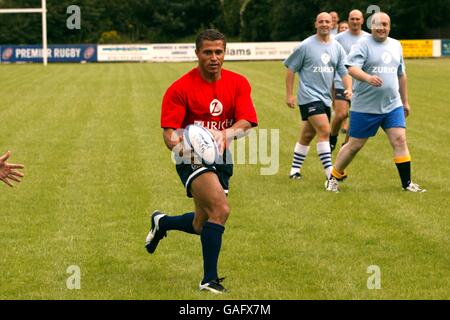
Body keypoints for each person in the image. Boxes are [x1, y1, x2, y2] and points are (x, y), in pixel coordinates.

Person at [145, 29, 258, 293]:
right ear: (197, 53)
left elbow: (247, 122)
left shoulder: (238, 83)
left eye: (218, 52)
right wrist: (182, 146)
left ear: (225, 53)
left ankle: (162, 222)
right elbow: (169, 134)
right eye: (207, 52)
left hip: (222, 157)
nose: (214, 57)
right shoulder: (180, 88)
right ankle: (209, 279)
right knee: (221, 210)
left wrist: (226, 133)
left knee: (200, 223)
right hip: (190, 157)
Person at [326, 12, 426, 193]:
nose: (381, 27)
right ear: (372, 26)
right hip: (365, 107)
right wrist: (367, 78)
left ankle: (407, 183)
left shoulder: (396, 45)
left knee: (400, 139)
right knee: (354, 145)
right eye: (377, 24)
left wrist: (405, 102)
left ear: (390, 26)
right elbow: (352, 68)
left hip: (392, 105)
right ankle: (334, 176)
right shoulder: (362, 44)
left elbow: (401, 74)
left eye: (385, 24)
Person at [285, 12, 352, 183]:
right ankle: (331, 173)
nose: (324, 24)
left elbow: (344, 71)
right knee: (324, 130)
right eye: (321, 21)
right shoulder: (306, 45)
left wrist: (349, 88)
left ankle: (294, 170)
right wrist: (290, 94)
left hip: (325, 98)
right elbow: (291, 69)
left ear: (332, 25)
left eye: (327, 22)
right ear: (315, 24)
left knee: (307, 135)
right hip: (308, 96)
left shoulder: (336, 47)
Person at [330, 10, 370, 152]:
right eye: (352, 19)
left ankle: (346, 145)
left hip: (360, 84)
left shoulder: (368, 38)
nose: (355, 21)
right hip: (341, 80)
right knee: (341, 114)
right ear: (348, 19)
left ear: (362, 20)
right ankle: (332, 137)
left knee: (354, 116)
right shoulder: (338, 38)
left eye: (357, 19)